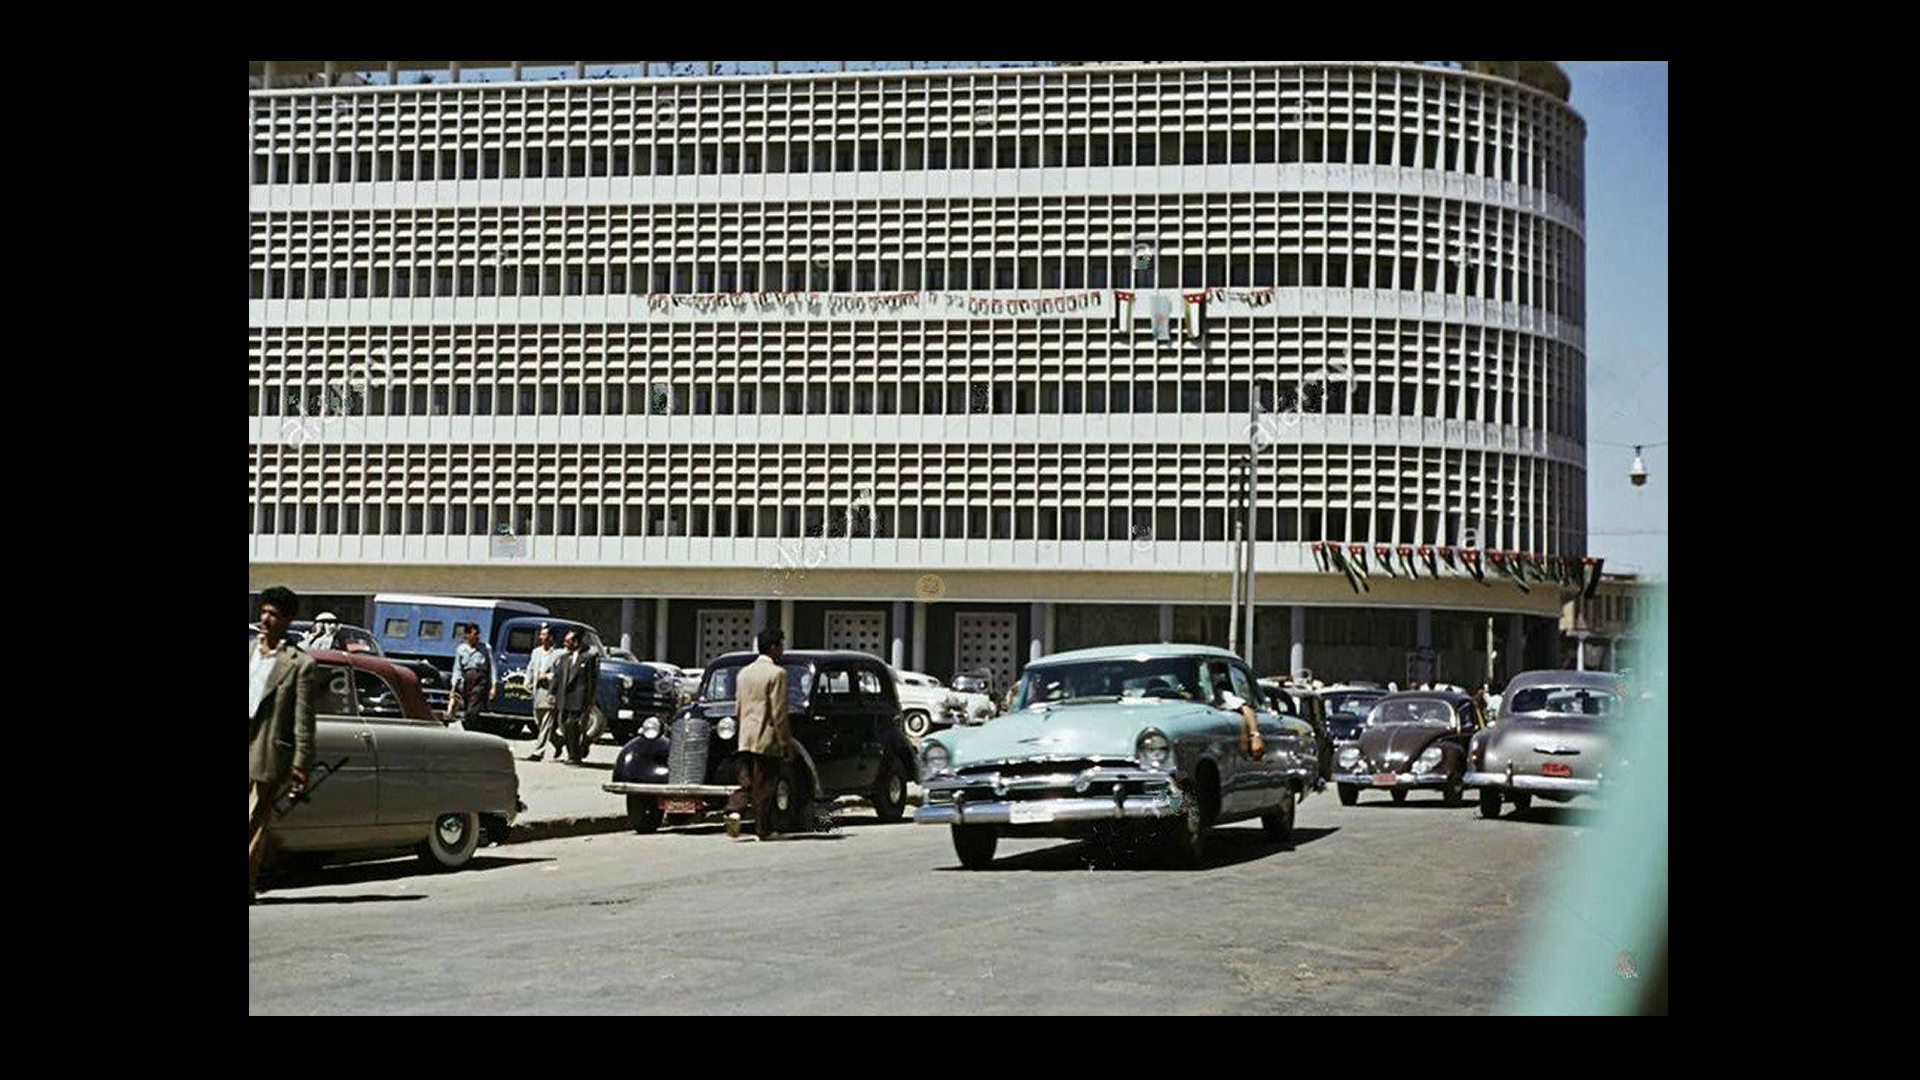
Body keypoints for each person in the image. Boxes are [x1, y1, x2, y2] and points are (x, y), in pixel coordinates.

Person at [250, 586, 322, 904]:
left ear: (288, 620)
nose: (266, 619)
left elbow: (304, 720)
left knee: (253, 818)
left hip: (267, 749)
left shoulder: (300, 663)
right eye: (264, 611)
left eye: (274, 614)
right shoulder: (249, 651)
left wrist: (301, 764)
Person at [726, 628, 792, 841]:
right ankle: (763, 830)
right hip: (766, 737)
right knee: (764, 786)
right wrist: (785, 742)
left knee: (746, 781)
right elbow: (778, 713)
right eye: (781, 645)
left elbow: (738, 707)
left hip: (745, 736)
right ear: (773, 647)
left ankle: (734, 810)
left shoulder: (744, 673)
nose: (782, 650)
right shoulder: (777, 673)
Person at [549, 629, 599, 764]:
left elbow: (591, 680)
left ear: (576, 642)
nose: (564, 643)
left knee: (572, 724)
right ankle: (576, 750)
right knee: (565, 726)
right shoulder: (563, 658)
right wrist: (551, 693)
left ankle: (574, 756)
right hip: (564, 698)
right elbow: (557, 677)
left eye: (568, 641)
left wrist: (591, 699)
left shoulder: (588, 658)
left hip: (579, 697)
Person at [523, 625, 565, 761]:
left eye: (544, 635)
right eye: (540, 635)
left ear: (551, 637)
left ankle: (538, 752)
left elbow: (559, 673)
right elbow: (530, 667)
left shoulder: (558, 654)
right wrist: (527, 681)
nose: (541, 637)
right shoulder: (536, 652)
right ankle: (559, 741)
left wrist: (547, 676)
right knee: (540, 722)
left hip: (549, 691)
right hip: (537, 691)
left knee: (546, 723)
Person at [453, 624, 496, 728]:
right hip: (466, 680)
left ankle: (471, 728)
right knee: (467, 707)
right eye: (474, 634)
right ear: (467, 635)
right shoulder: (461, 649)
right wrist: (454, 686)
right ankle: (469, 727)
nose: (477, 636)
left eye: (478, 634)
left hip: (480, 680)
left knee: (473, 706)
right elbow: (457, 669)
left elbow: (492, 667)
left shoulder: (486, 648)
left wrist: (493, 686)